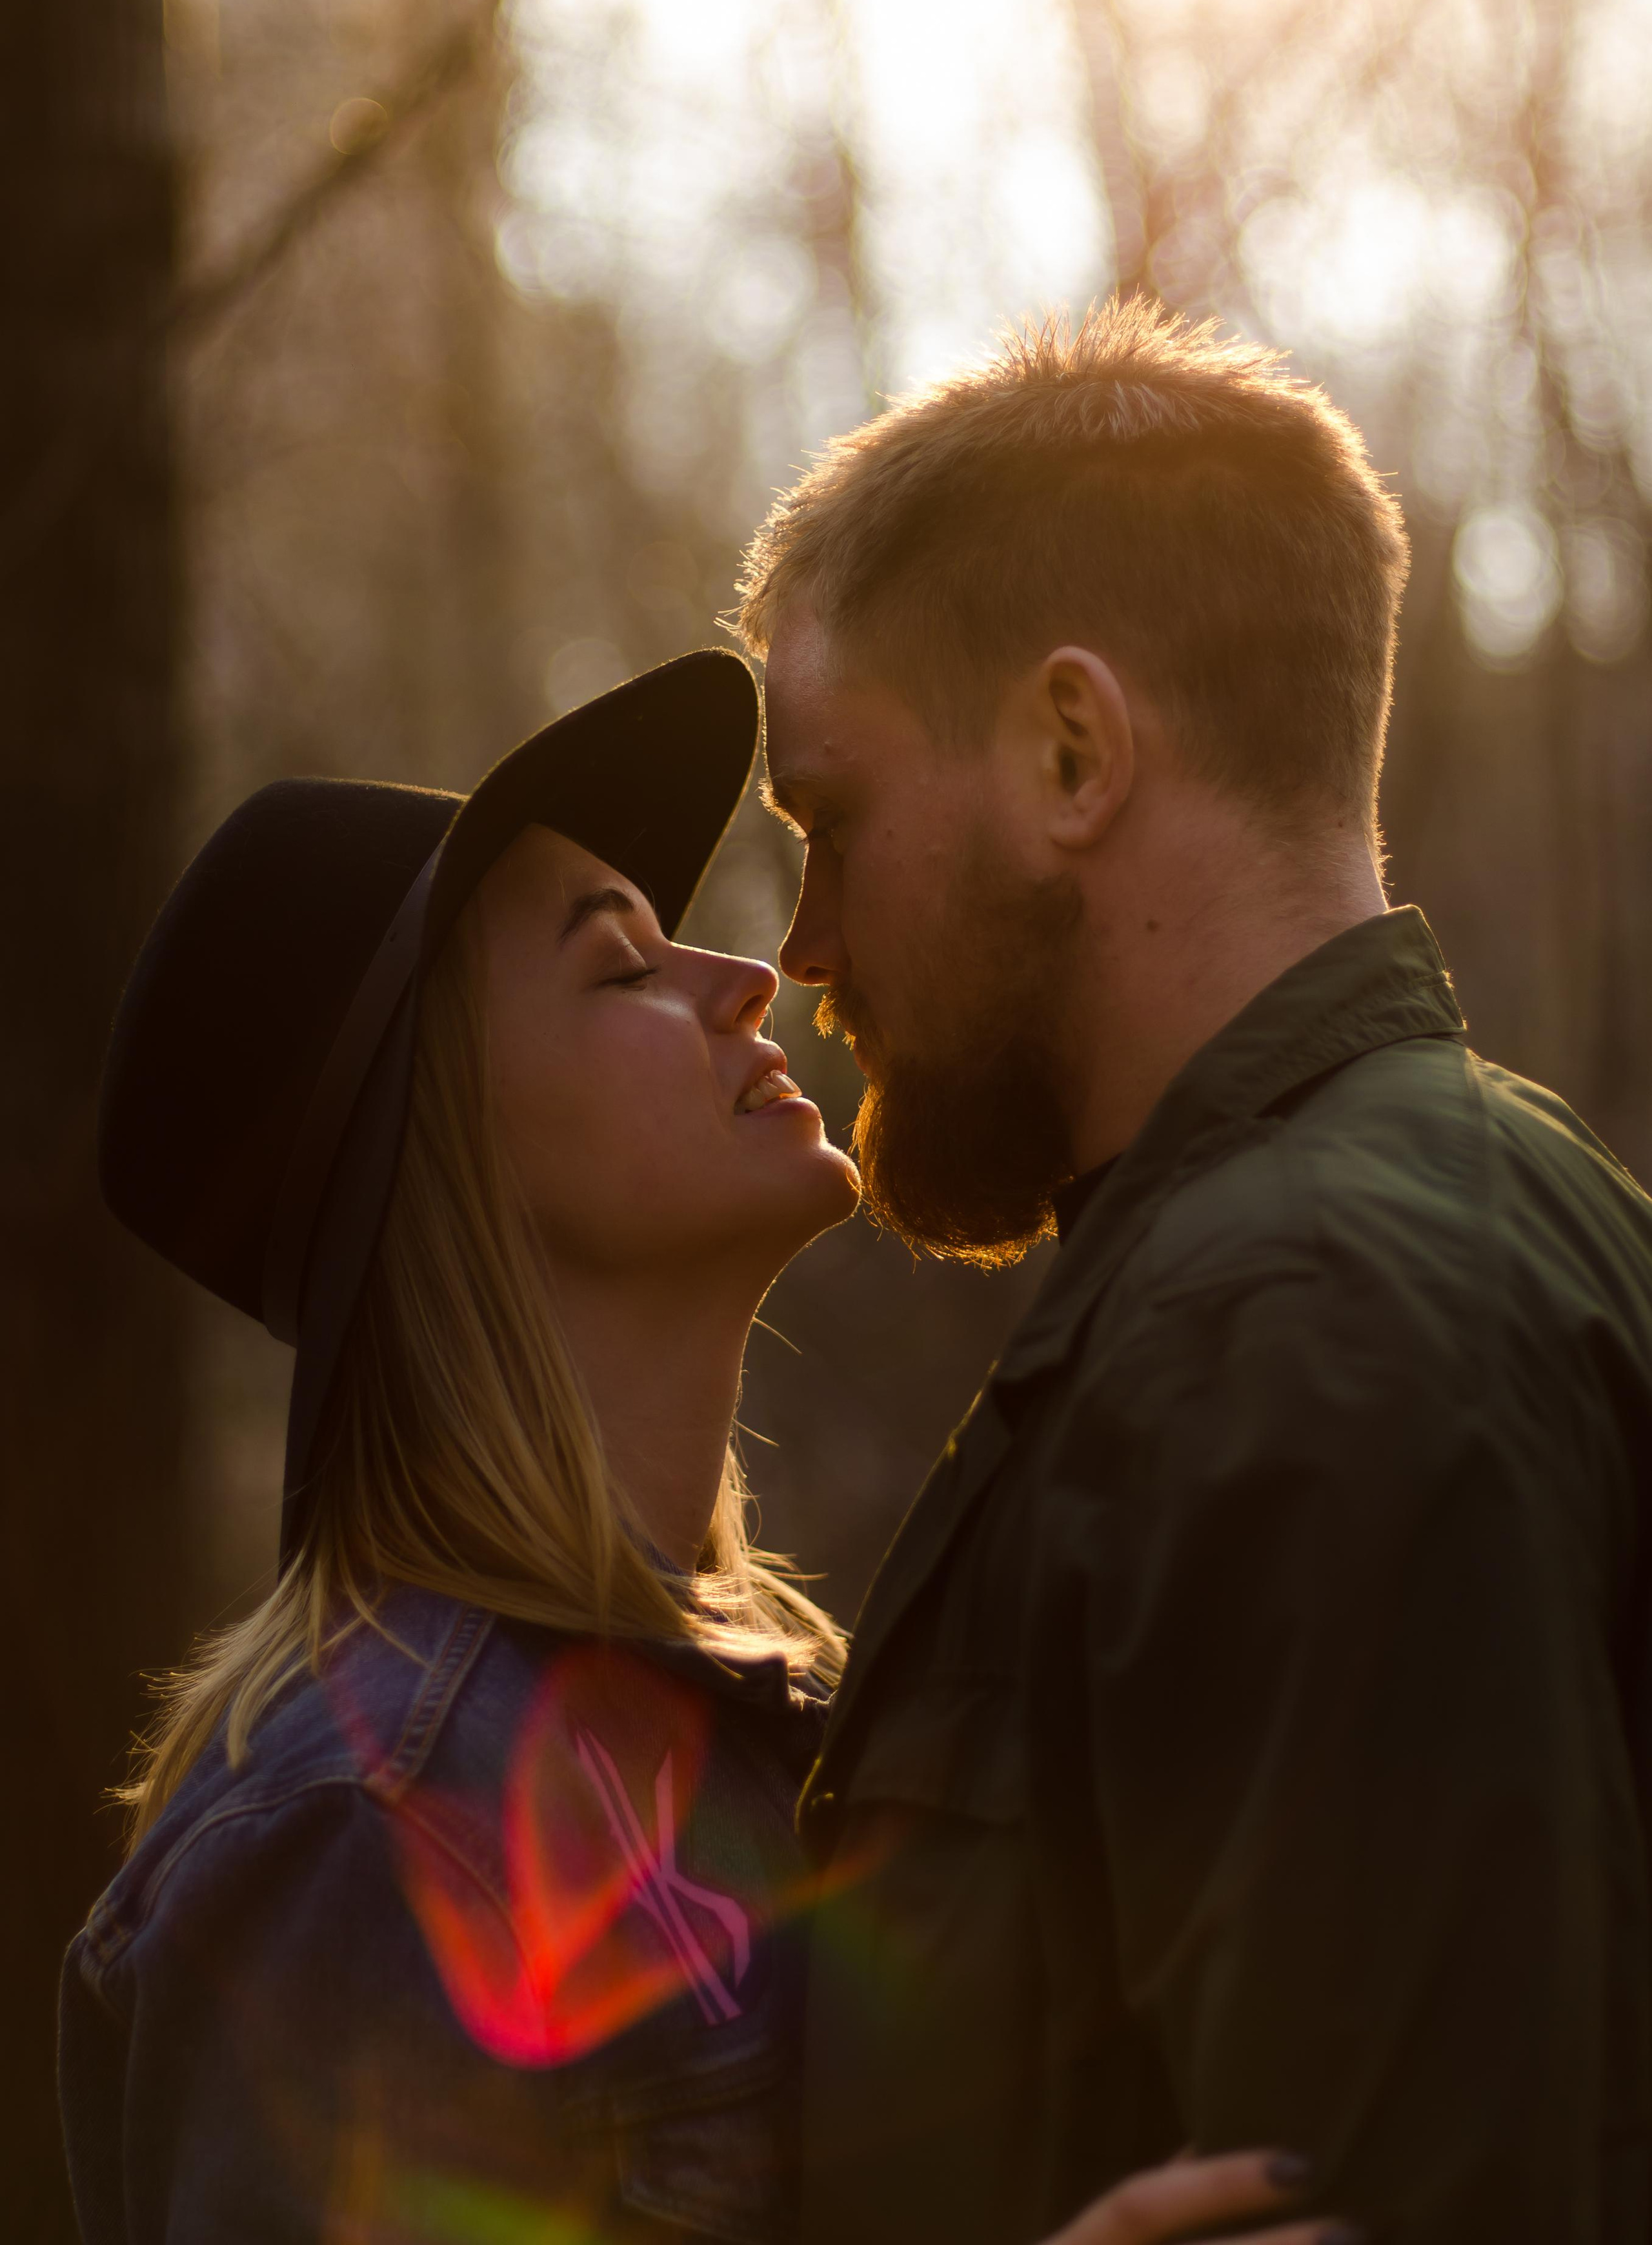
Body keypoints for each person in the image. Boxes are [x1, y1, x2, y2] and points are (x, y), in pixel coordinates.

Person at [61, 650, 1338, 2245]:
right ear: (447, 1159)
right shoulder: (364, 1834)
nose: (744, 974)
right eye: (619, 969)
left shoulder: (780, 1718)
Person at [742, 302, 1652, 2245]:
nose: (803, 944)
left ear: (1073, 749)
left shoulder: (1295, 1320)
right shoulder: (1466, 1212)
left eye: (829, 818)